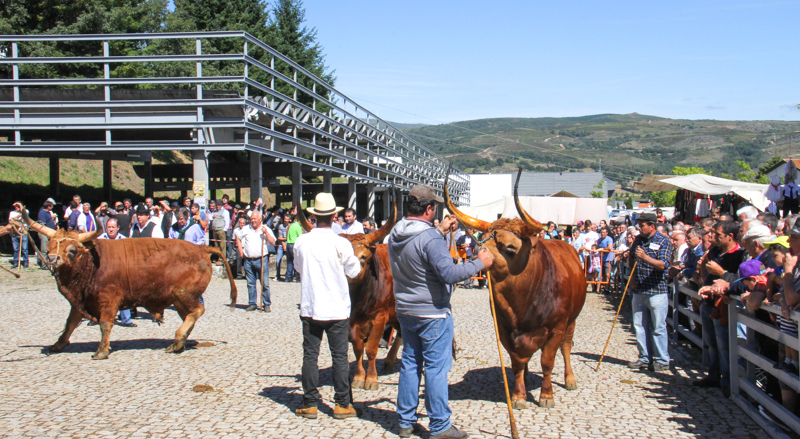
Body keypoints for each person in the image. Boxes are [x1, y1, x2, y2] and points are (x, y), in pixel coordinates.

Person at [388, 184, 493, 439]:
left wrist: (441, 230)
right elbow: (449, 273)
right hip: (432, 312)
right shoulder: (430, 237)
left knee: (411, 364)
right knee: (435, 368)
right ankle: (440, 426)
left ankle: (405, 421)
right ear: (430, 208)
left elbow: (420, 245)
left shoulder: (395, 233)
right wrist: (481, 262)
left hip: (405, 308)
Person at [293, 192, 361, 420]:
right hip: (337, 308)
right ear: (335, 216)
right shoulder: (341, 242)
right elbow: (354, 271)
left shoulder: (302, 241)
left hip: (311, 306)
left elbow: (298, 268)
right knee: (340, 356)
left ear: (313, 216)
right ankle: (342, 404)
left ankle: (310, 403)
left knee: (310, 355)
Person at [694, 221, 746, 394]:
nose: (713, 237)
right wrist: (704, 280)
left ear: (730, 236)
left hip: (724, 306)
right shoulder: (715, 250)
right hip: (708, 302)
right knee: (710, 343)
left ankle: (727, 382)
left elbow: (738, 280)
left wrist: (719, 272)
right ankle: (713, 375)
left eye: (717, 234)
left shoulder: (739, 255)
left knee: (724, 345)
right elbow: (703, 262)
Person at [626, 213, 673, 373]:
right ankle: (644, 357)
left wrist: (645, 257)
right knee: (639, 325)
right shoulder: (638, 240)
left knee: (658, 327)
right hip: (639, 289)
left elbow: (663, 265)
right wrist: (631, 279)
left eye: (642, 225)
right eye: (639, 224)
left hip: (656, 290)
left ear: (652, 226)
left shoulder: (664, 241)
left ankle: (661, 360)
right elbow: (632, 257)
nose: (640, 227)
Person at [97, 218, 137, 328]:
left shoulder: (124, 240)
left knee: (123, 294)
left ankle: (126, 320)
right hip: (104, 272)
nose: (110, 229)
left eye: (113, 227)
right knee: (101, 296)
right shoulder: (100, 240)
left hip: (120, 271)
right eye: (109, 227)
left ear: (117, 228)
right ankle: (98, 317)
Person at [235, 210, 276, 312]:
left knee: (265, 283)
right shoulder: (246, 229)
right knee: (250, 283)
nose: (252, 220)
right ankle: (252, 303)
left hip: (261, 259)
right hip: (248, 260)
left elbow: (273, 242)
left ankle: (266, 304)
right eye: (251, 219)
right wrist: (241, 250)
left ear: (260, 219)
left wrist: (266, 233)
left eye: (254, 219)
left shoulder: (265, 229)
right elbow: (237, 236)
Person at [36, 198, 57, 269]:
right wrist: (47, 233)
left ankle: (43, 262)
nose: (53, 207)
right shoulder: (42, 213)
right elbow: (43, 225)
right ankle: (44, 265)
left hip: (49, 233)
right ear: (49, 206)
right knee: (44, 249)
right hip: (44, 233)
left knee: (48, 249)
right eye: (52, 206)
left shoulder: (48, 213)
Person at [209, 200, 229, 266]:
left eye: (219, 205)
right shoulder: (215, 212)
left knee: (222, 246)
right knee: (216, 246)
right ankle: (218, 258)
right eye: (217, 205)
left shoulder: (225, 212)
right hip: (215, 230)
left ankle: (222, 260)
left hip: (221, 230)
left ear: (221, 205)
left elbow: (227, 221)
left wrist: (224, 229)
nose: (217, 206)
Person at [9, 202, 29, 269]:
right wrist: (17, 218)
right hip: (15, 232)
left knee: (24, 248)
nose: (16, 207)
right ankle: (16, 262)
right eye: (15, 206)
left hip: (23, 232)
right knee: (16, 249)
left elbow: (25, 214)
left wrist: (21, 208)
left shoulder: (25, 211)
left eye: (18, 206)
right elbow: (10, 221)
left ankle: (26, 262)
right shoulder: (12, 213)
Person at [285, 214, 302, 282]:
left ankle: (288, 278)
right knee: (297, 261)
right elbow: (300, 237)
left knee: (289, 262)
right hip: (294, 244)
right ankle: (298, 278)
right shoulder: (298, 227)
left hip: (288, 244)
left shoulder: (291, 226)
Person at [275, 214, 290, 281]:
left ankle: (289, 276)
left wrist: (283, 239)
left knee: (289, 261)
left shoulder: (290, 226)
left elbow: (289, 238)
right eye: (285, 219)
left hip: (289, 245)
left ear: (289, 220)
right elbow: (280, 238)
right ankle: (277, 275)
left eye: (287, 219)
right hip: (281, 245)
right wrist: (284, 244)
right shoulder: (281, 226)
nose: (286, 220)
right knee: (278, 260)